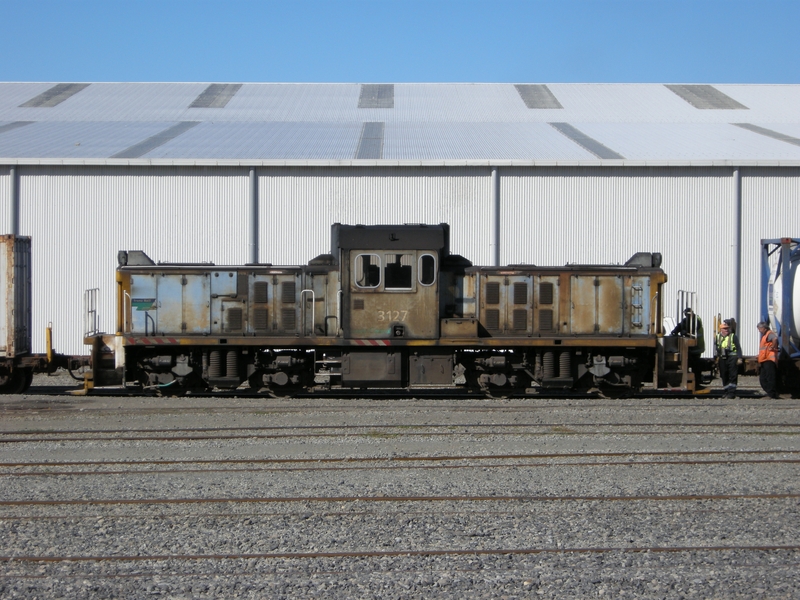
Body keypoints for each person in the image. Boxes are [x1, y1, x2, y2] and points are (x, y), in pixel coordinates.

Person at [671, 308, 706, 382]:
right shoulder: (686, 320)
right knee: (688, 363)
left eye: (687, 314)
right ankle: (690, 379)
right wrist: (675, 331)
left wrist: (684, 332)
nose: (686, 316)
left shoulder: (697, 320)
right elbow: (680, 325)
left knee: (696, 365)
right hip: (690, 348)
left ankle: (697, 380)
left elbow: (692, 328)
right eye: (685, 314)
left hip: (696, 348)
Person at [715, 321, 741, 398]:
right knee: (724, 374)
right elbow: (716, 347)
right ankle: (726, 391)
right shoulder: (717, 337)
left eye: (727, 328)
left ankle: (732, 393)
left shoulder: (733, 336)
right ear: (721, 330)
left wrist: (739, 358)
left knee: (732, 375)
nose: (726, 330)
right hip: (722, 358)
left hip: (732, 357)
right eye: (724, 329)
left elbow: (738, 348)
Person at [756, 321, 780, 398]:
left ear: (764, 328)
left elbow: (775, 339)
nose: (759, 330)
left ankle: (771, 394)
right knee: (763, 378)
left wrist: (773, 346)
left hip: (769, 359)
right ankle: (770, 392)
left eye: (759, 328)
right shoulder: (765, 335)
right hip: (764, 359)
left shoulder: (769, 333)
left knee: (770, 377)